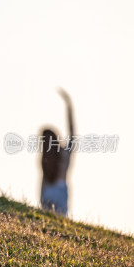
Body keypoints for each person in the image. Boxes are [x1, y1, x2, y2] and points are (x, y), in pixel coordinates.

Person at [40, 88, 75, 216]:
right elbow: (72, 133)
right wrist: (69, 105)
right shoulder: (65, 153)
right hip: (60, 189)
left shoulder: (46, 158)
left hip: (47, 191)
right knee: (60, 224)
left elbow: (42, 184)